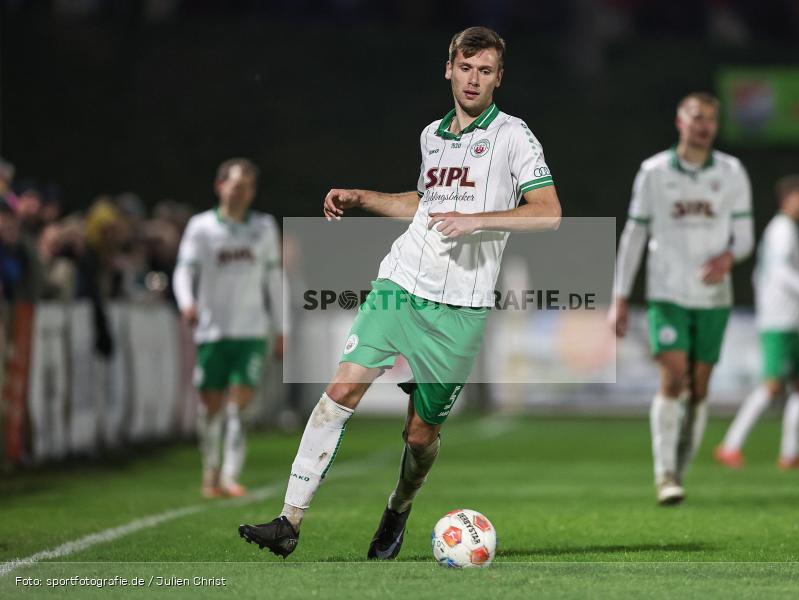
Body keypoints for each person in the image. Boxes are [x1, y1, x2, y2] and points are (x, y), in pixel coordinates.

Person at [238, 26, 561, 560]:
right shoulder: (431, 135)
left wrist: (476, 219)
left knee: (419, 436)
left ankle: (399, 506)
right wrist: (363, 197)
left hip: (461, 308)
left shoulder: (513, 136)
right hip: (401, 284)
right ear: (448, 69)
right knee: (341, 390)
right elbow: (425, 203)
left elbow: (548, 213)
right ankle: (288, 520)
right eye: (465, 67)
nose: (473, 79)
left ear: (499, 78)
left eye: (484, 70)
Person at [610, 92, 753, 505]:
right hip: (667, 293)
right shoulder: (653, 172)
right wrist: (620, 295)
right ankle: (665, 473)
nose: (704, 125)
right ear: (680, 122)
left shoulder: (731, 172)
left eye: (710, 119)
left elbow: (745, 237)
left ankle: (680, 467)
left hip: (713, 297)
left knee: (700, 389)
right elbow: (634, 235)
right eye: (696, 117)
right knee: (674, 378)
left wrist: (728, 257)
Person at [173, 158, 286, 498]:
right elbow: (183, 269)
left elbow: (274, 279)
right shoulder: (201, 226)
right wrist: (186, 303)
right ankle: (210, 469)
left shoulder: (264, 227)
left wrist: (281, 328)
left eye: (248, 187)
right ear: (219, 186)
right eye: (236, 186)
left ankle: (230, 475)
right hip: (212, 331)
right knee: (210, 407)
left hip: (251, 331)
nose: (242, 193)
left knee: (240, 405)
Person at [715, 175, 799, 470]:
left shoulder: (785, 229)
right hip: (780, 320)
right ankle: (730, 446)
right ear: (787, 199)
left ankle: (791, 453)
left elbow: (760, 275)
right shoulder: (782, 230)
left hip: (791, 319)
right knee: (773, 386)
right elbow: (780, 272)